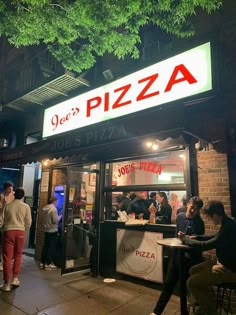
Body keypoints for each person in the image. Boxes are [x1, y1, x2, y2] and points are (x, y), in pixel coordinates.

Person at [179, 200, 236, 315]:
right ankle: (205, 303)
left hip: (229, 269)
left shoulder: (228, 228)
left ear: (215, 214)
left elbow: (204, 246)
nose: (210, 220)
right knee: (193, 270)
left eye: (210, 217)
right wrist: (197, 237)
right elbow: (215, 236)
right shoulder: (229, 222)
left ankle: (209, 310)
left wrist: (185, 239)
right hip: (222, 263)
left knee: (191, 282)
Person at [150, 196, 205, 315]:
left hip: (189, 260)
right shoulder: (180, 217)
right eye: (191, 207)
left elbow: (197, 244)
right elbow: (175, 237)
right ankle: (157, 311)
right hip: (176, 257)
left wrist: (188, 239)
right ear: (188, 205)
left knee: (185, 289)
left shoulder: (199, 223)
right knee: (168, 285)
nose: (192, 211)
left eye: (196, 210)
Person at [0, 188, 31, 292]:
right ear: (22, 196)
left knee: (7, 258)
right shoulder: (26, 206)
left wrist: (2, 229)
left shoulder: (7, 206)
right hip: (20, 232)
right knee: (18, 255)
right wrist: (24, 229)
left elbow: (1, 220)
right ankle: (15, 279)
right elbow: (28, 222)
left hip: (8, 232)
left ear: (14, 195)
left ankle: (6, 284)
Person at [40, 196, 60, 270]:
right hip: (52, 230)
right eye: (57, 201)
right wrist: (60, 217)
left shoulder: (45, 208)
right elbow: (55, 221)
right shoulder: (53, 209)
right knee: (51, 247)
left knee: (45, 246)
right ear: (54, 201)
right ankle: (48, 263)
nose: (57, 203)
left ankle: (42, 262)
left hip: (46, 230)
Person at [0, 182, 15, 271]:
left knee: (9, 242)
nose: (11, 190)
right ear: (5, 188)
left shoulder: (13, 196)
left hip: (11, 221)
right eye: (9, 188)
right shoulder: (2, 196)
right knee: (2, 243)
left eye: (12, 188)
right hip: (3, 221)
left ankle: (9, 259)